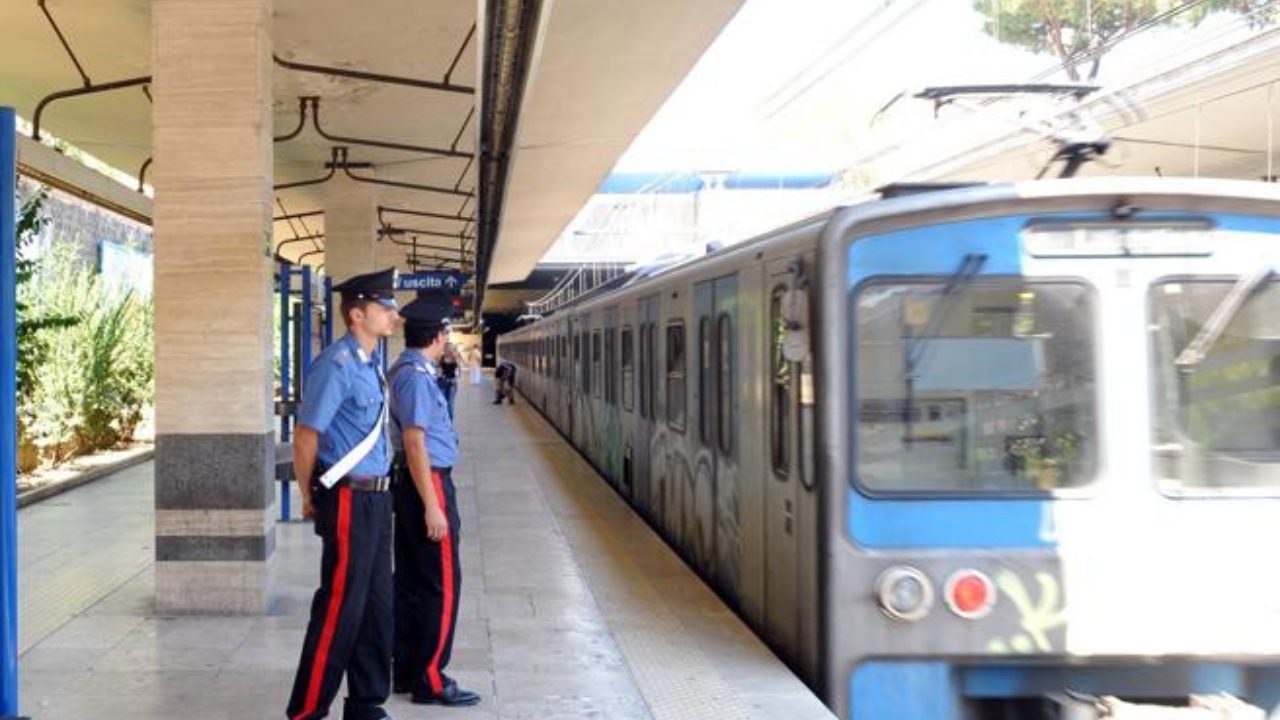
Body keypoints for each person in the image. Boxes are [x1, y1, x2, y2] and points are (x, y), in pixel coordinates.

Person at [286, 268, 400, 720]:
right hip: (349, 497)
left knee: (376, 603)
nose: (392, 314)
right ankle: (306, 711)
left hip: (377, 497)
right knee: (340, 606)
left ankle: (366, 702)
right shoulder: (335, 365)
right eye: (383, 307)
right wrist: (308, 494)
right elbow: (305, 436)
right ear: (357, 314)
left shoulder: (370, 362)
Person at [387, 293, 481, 707]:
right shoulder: (413, 375)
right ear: (439, 335)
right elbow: (414, 440)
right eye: (445, 334)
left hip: (416, 483)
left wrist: (448, 379)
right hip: (428, 484)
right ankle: (430, 678)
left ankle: (408, 670)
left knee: (412, 583)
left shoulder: (416, 371)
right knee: (441, 586)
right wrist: (432, 504)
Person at [437, 342, 459, 419]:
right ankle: (443, 421)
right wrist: (440, 375)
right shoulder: (441, 358)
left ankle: (449, 423)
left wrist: (456, 378)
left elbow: (458, 370)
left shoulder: (455, 357)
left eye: (450, 348)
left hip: (452, 383)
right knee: (443, 403)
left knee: (450, 404)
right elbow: (439, 369)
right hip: (442, 382)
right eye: (447, 348)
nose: (448, 349)